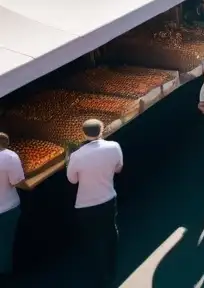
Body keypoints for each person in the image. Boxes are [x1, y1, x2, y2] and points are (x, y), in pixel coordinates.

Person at [66, 119, 123, 288]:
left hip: (86, 206)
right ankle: (111, 271)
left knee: (93, 238)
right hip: (108, 198)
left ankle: (99, 274)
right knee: (110, 233)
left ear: (83, 134)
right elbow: (118, 168)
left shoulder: (77, 156)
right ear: (102, 130)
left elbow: (72, 180)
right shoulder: (114, 146)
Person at [0, 133, 25, 277]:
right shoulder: (10, 157)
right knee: (5, 244)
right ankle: (5, 276)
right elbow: (17, 181)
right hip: (7, 208)